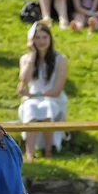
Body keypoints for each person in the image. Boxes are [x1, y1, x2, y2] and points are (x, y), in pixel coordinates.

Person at [17, 23, 68, 162]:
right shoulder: (25, 59)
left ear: (50, 38)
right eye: (37, 38)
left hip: (53, 99)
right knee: (30, 108)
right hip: (32, 100)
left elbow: (57, 91)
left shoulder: (60, 59)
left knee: (47, 107)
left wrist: (35, 95)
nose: (41, 41)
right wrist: (33, 55)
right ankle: (30, 154)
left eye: (45, 37)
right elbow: (24, 79)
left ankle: (48, 151)